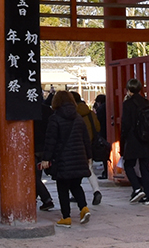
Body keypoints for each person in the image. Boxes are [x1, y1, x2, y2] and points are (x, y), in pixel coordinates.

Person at [42, 92, 92, 226]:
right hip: (79, 157)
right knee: (76, 185)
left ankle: (66, 217)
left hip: (62, 158)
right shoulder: (78, 118)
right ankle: (84, 208)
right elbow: (86, 139)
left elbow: (50, 141)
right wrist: (89, 156)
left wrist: (46, 158)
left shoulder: (55, 118)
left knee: (62, 188)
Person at [118, 80, 149, 203]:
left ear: (129, 90)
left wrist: (122, 141)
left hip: (133, 139)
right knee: (144, 167)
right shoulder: (148, 103)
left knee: (128, 165)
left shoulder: (128, 104)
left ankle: (137, 188)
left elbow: (126, 124)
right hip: (146, 138)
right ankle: (147, 197)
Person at [72, 93, 104, 206]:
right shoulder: (90, 114)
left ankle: (75, 193)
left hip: (76, 145)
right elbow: (98, 128)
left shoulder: (73, 115)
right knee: (89, 169)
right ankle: (96, 191)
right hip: (89, 145)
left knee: (74, 170)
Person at [90, 92, 111, 199]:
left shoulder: (100, 109)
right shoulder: (108, 106)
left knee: (104, 154)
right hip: (107, 131)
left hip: (102, 133)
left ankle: (106, 172)